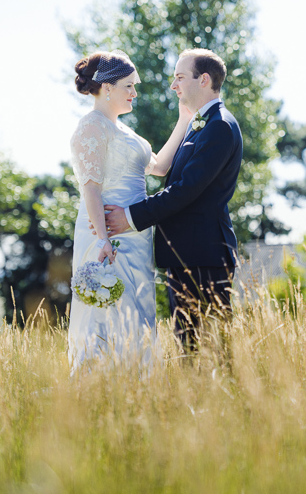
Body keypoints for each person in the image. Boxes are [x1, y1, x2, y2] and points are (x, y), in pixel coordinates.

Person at [104, 48, 243, 353]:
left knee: (212, 349)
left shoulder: (219, 126)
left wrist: (129, 217)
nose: (173, 85)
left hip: (204, 255)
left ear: (203, 79)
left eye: (180, 77)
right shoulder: (204, 123)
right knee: (190, 346)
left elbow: (183, 191)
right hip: (188, 254)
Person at [68, 50, 191, 371]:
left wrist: (184, 118)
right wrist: (104, 239)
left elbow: (161, 167)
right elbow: (91, 187)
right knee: (106, 311)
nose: (135, 93)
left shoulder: (126, 132)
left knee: (137, 310)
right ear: (106, 88)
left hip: (136, 236)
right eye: (129, 86)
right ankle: (98, 387)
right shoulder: (91, 127)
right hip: (106, 235)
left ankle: (136, 384)